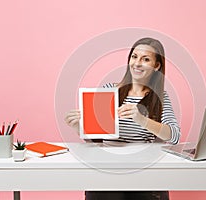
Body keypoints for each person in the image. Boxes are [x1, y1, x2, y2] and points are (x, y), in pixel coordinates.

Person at [65, 37, 181, 200]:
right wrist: (79, 127)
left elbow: (174, 136)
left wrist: (142, 119)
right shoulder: (108, 90)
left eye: (145, 59)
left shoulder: (160, 97)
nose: (137, 63)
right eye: (134, 57)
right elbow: (96, 139)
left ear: (156, 66)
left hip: (143, 172)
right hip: (107, 170)